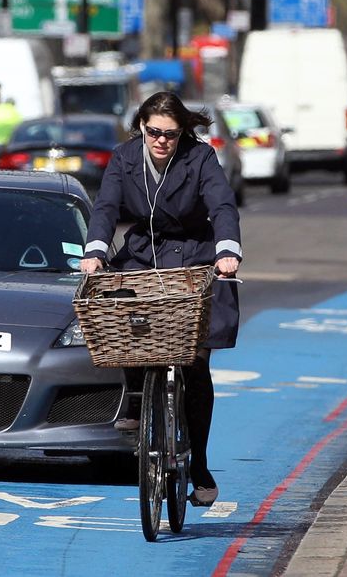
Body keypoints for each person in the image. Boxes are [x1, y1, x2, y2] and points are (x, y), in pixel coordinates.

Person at [79, 90, 242, 508]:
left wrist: (227, 250)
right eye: (154, 132)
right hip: (142, 257)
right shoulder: (124, 157)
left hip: (193, 257)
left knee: (196, 361)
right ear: (141, 128)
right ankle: (136, 398)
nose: (162, 141)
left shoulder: (200, 157)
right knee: (123, 312)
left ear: (183, 132)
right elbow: (106, 206)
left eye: (171, 134)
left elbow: (222, 204)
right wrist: (96, 249)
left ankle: (200, 463)